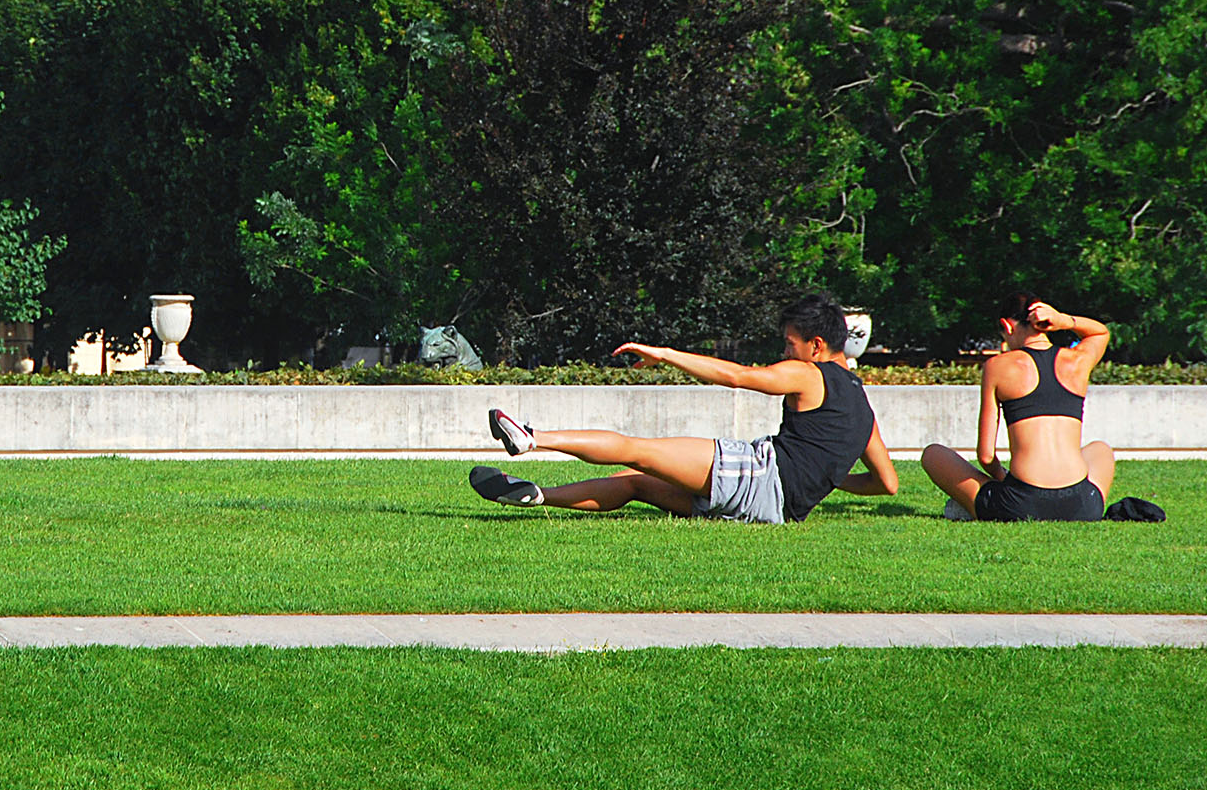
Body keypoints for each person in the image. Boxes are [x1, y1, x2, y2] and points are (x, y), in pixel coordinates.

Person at [470, 294, 898, 522]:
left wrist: (666, 353)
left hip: (756, 475)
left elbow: (738, 377)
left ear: (816, 345)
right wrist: (830, 479)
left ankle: (533, 438)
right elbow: (888, 484)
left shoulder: (809, 373)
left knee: (638, 449)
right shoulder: (863, 409)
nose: (785, 350)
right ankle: (538, 496)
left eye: (790, 343)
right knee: (633, 481)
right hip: (774, 510)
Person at [920, 296, 1113, 521]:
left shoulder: (997, 366)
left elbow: (986, 455)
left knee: (932, 454)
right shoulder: (1078, 361)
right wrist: (1063, 320)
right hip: (1082, 506)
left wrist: (1001, 477)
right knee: (1100, 449)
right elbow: (1100, 333)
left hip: (1019, 504)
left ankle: (971, 505)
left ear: (1007, 325)